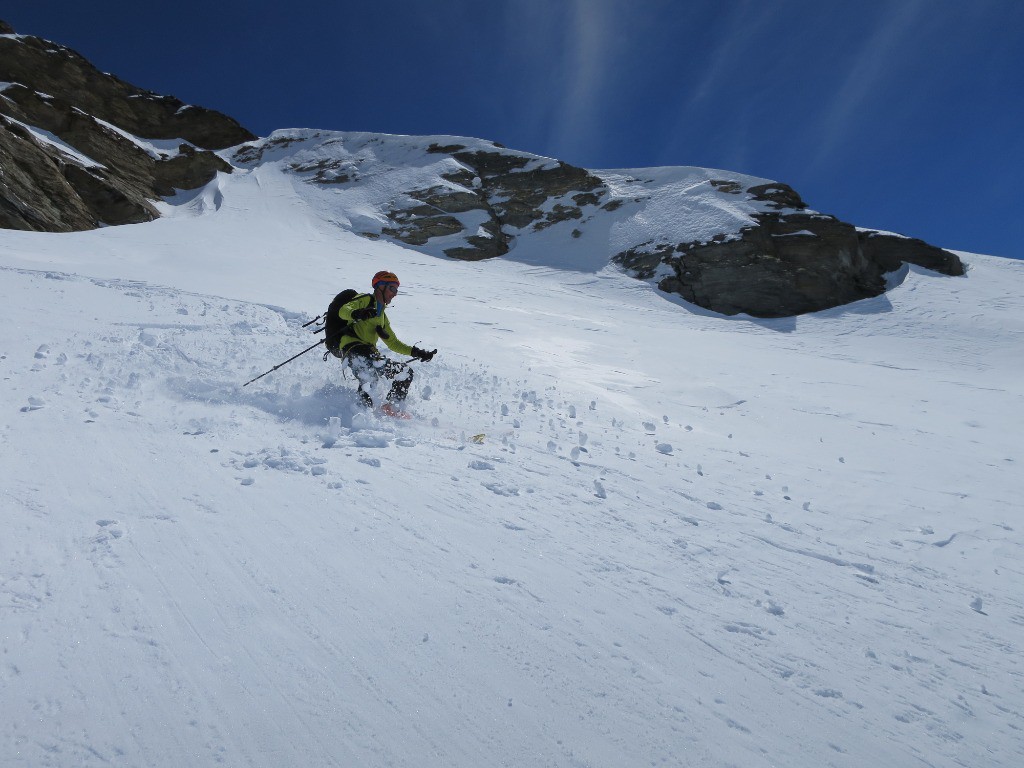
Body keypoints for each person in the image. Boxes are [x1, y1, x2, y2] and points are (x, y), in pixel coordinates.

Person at [329, 270, 436, 416]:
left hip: (370, 353)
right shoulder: (365, 300)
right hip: (353, 348)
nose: (395, 293)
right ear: (381, 286)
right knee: (369, 377)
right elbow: (344, 310)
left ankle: (391, 409)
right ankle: (361, 415)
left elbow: (393, 343)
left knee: (404, 372)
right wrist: (357, 313)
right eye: (392, 288)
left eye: (396, 290)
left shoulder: (382, 317)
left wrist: (417, 352)